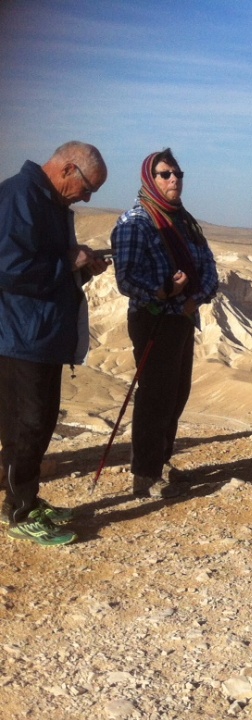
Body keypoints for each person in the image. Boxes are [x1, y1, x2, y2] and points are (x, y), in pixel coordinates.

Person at [0, 141, 108, 546]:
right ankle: (18, 511)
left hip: (42, 332)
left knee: (41, 422)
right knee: (24, 426)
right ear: (67, 170)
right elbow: (8, 267)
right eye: (88, 187)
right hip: (18, 334)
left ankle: (27, 497)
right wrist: (69, 262)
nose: (88, 196)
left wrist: (83, 269)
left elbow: (48, 267)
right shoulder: (19, 197)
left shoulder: (49, 203)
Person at [111, 149, 219, 500]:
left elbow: (209, 267)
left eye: (177, 173)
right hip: (153, 318)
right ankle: (144, 473)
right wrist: (163, 291)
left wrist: (194, 297)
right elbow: (126, 278)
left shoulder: (185, 222)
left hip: (183, 316)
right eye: (164, 174)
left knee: (177, 393)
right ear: (149, 179)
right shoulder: (136, 222)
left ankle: (162, 459)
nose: (174, 179)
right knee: (155, 396)